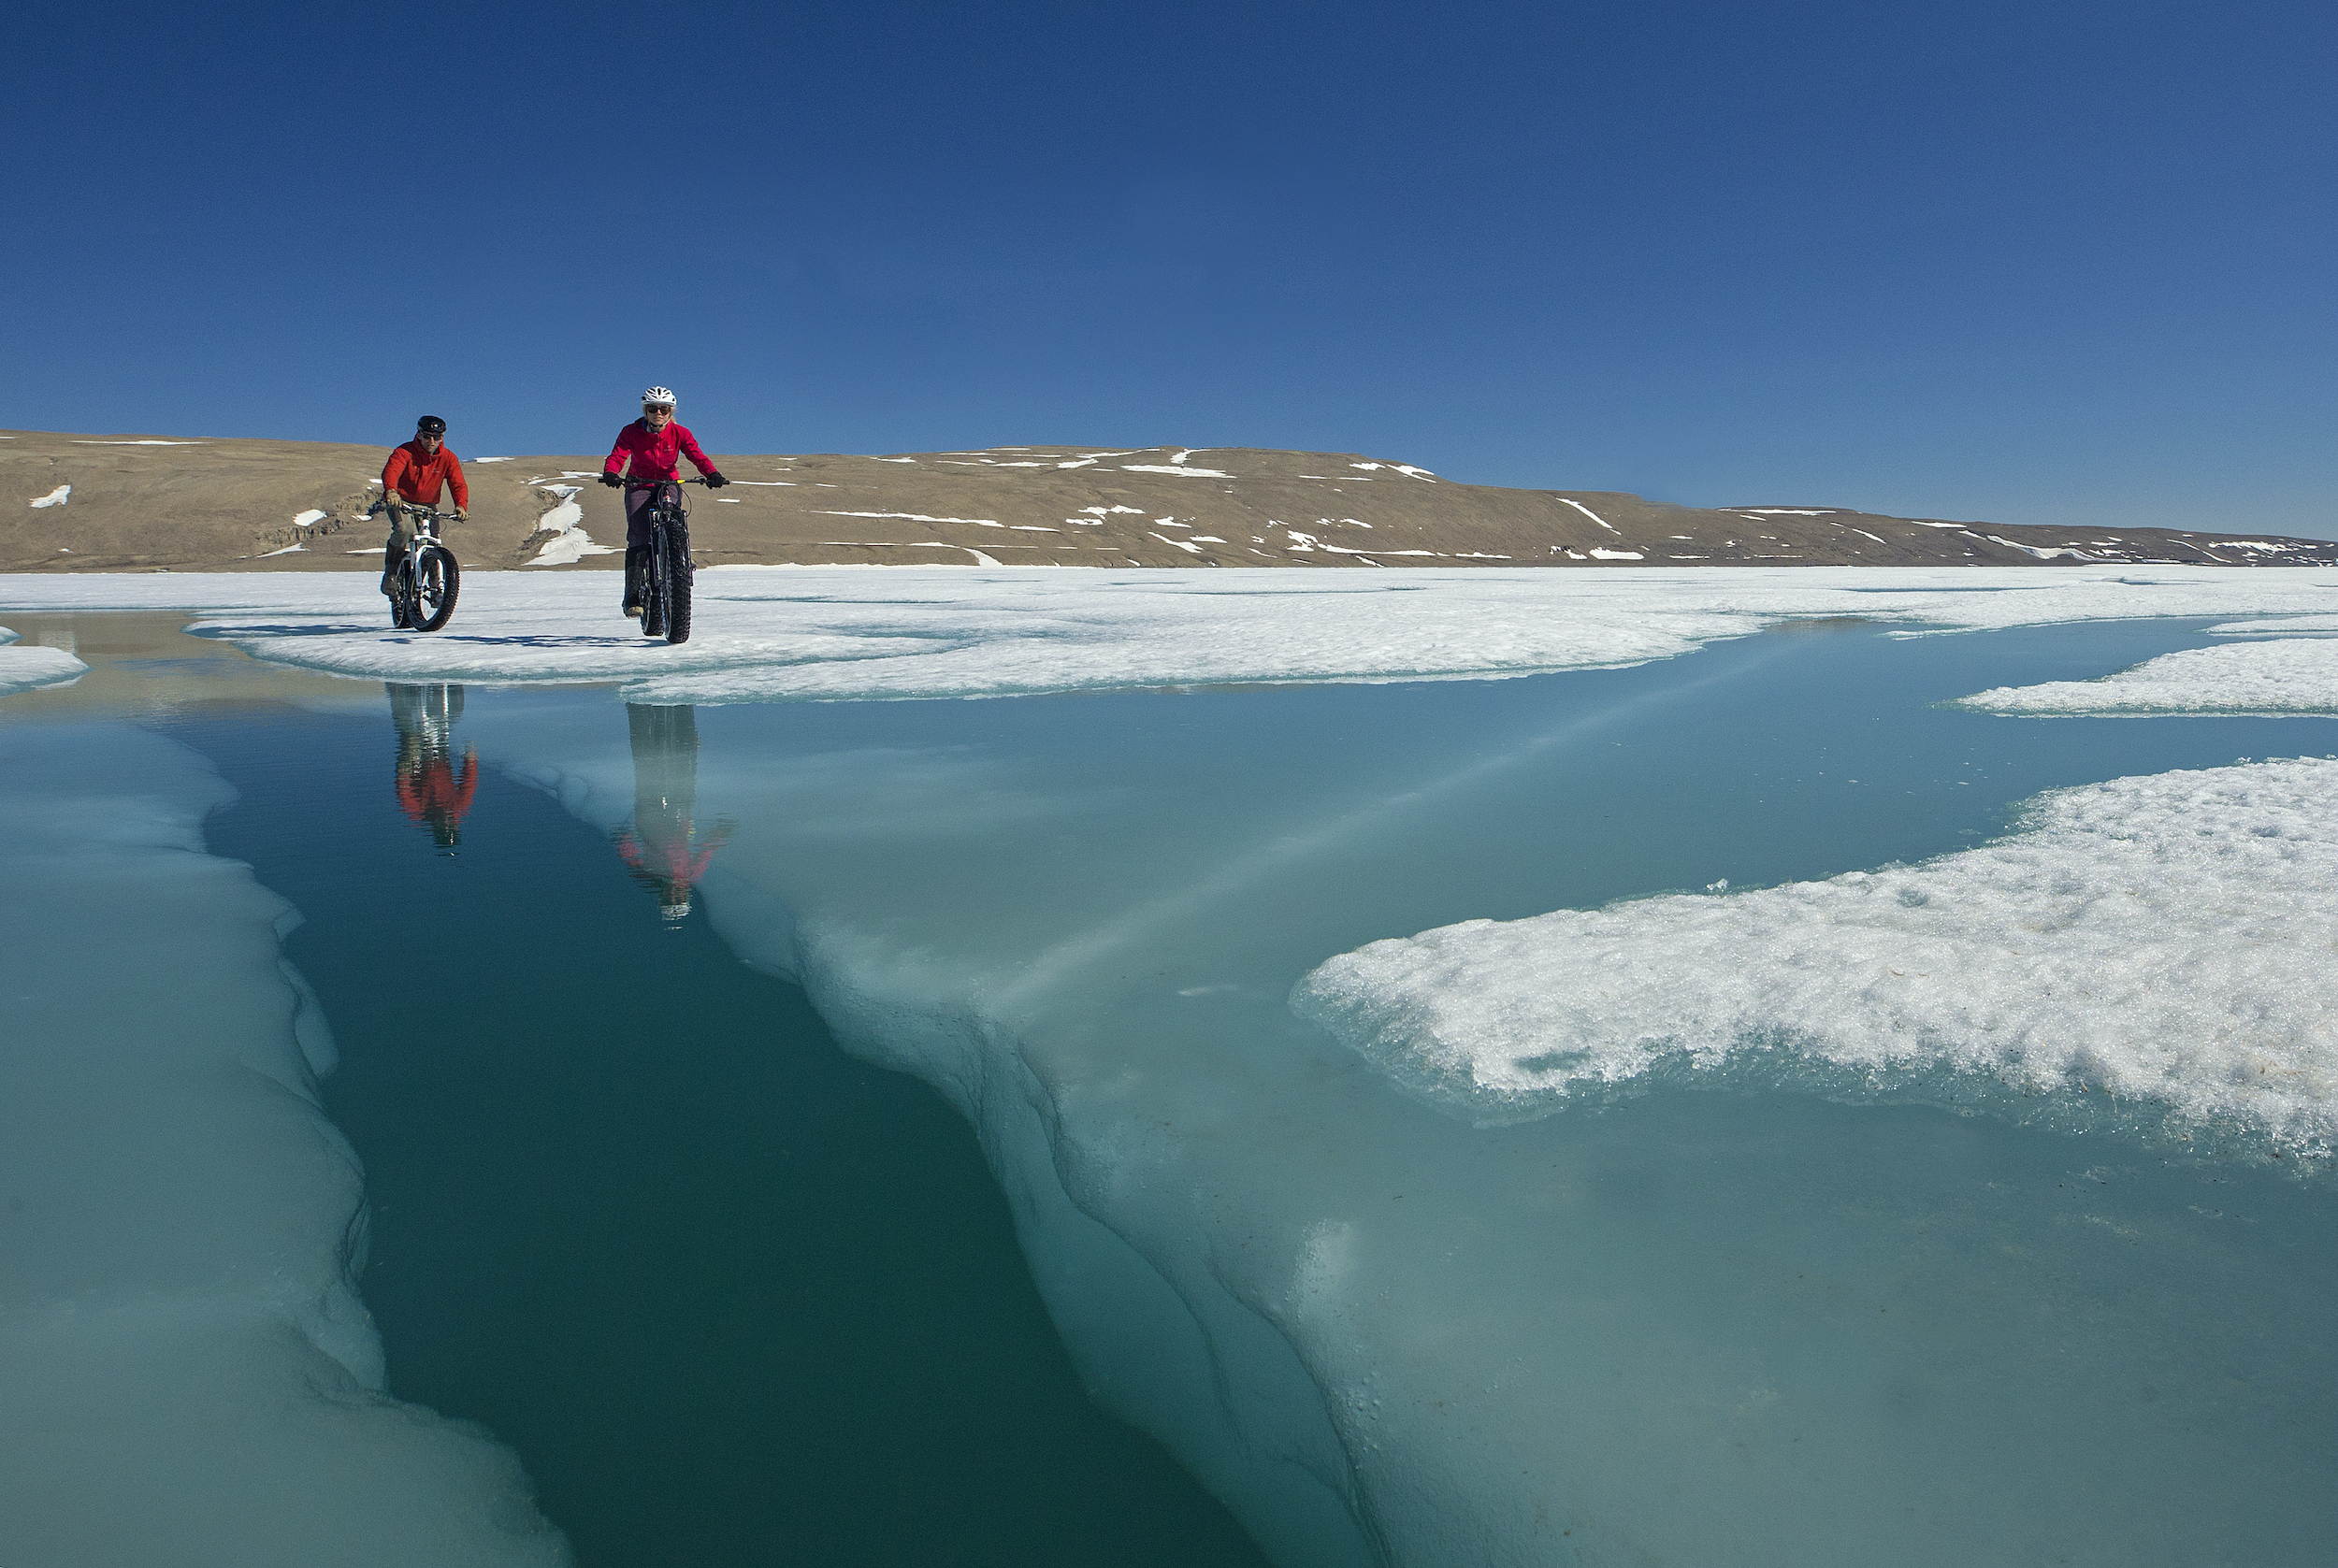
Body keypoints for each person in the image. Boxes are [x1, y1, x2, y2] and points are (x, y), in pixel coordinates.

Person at [599, 386, 726, 617]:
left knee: (675, 518)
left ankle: (678, 556)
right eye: (653, 409)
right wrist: (610, 473)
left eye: (664, 409)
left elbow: (696, 455)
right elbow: (618, 454)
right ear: (645, 411)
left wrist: (712, 474)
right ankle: (632, 596)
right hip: (639, 484)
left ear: (670, 412)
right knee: (638, 535)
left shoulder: (680, 433)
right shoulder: (631, 432)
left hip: (668, 482)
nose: (659, 413)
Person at [380, 415, 469, 601]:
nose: (432, 441)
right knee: (405, 530)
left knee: (433, 541)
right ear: (419, 434)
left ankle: (436, 585)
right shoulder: (405, 452)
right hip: (401, 501)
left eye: (437, 437)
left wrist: (460, 505)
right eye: (427, 436)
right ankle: (391, 574)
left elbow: (458, 483)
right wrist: (391, 492)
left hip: (427, 505)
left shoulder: (448, 458)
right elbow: (391, 471)